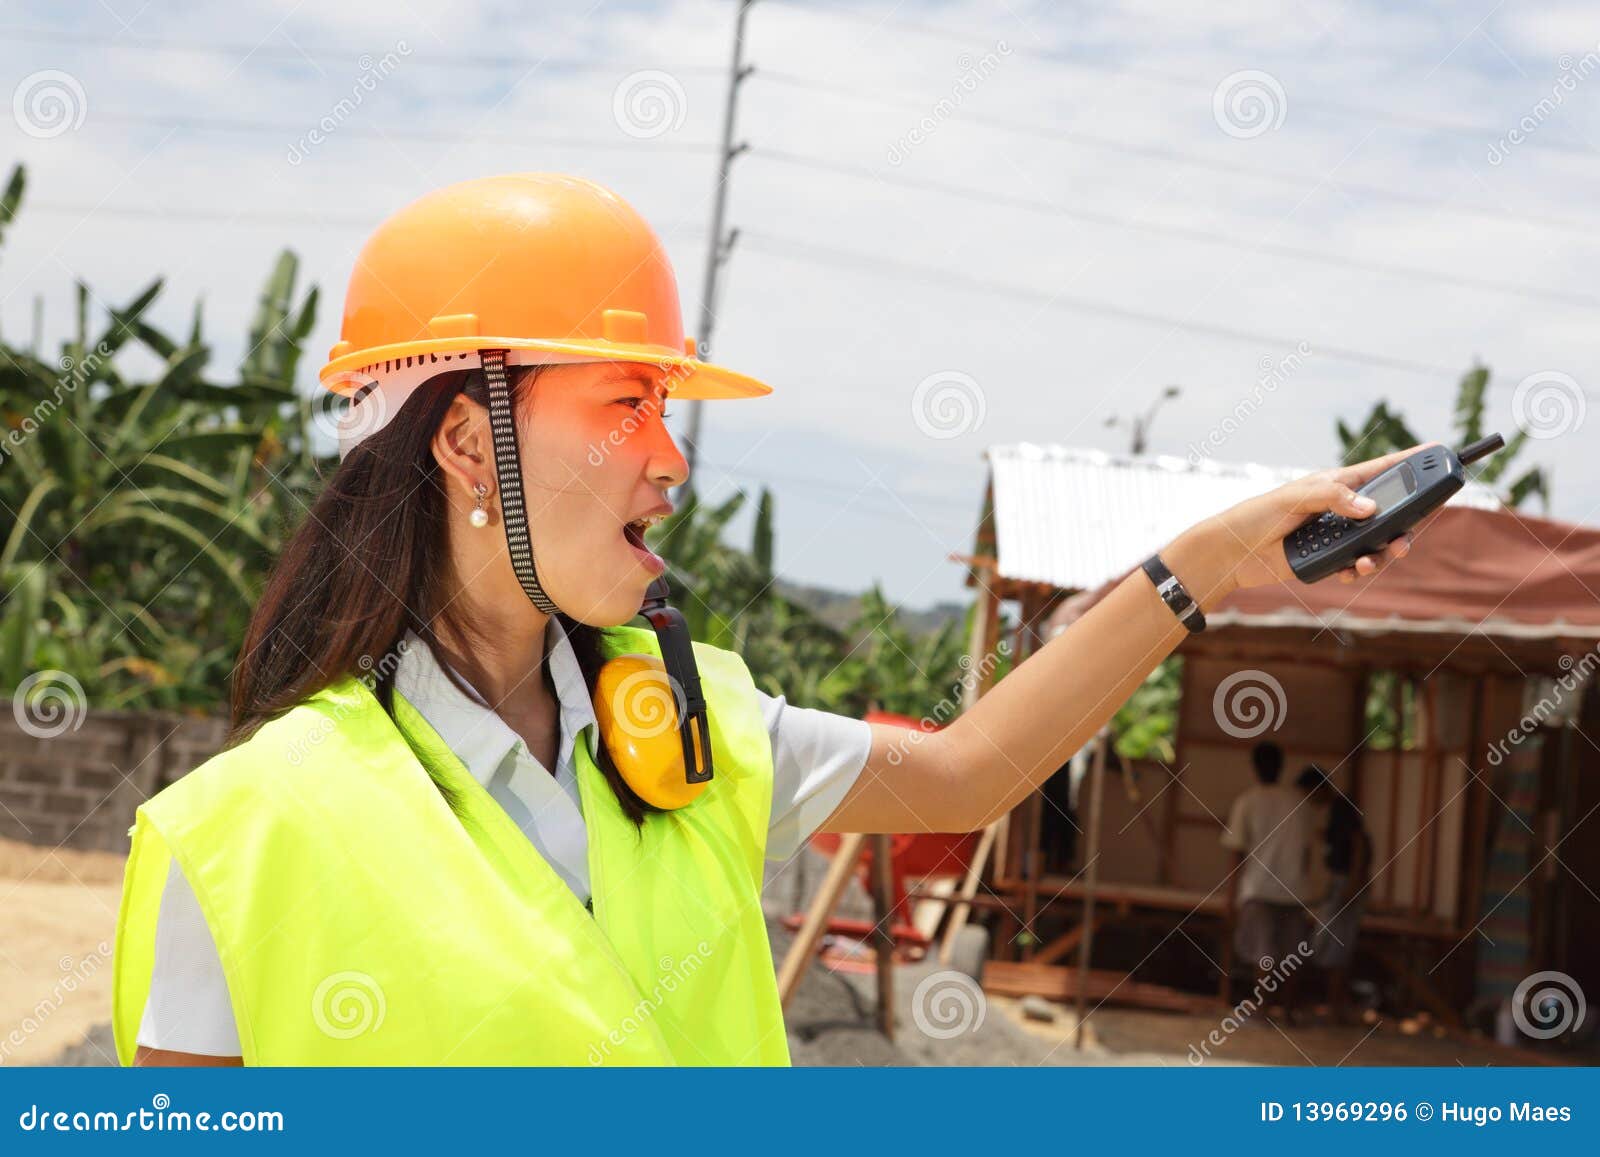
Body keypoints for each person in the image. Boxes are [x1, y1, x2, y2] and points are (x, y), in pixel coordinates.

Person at [113, 173, 1423, 1066]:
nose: (671, 460)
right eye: (627, 403)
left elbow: (976, 771)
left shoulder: (690, 728)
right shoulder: (237, 842)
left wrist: (1206, 559)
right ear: (468, 442)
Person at [1221, 741, 1313, 1020]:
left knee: (1264, 951)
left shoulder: (1247, 801)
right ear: (1281, 767)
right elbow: (1307, 851)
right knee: (1291, 953)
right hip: (1294, 888)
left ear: (1254, 767)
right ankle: (1287, 1010)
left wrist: (1231, 894)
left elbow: (1237, 850)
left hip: (1259, 887)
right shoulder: (1299, 802)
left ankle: (1262, 1009)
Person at [1298, 764, 1373, 1024]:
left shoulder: (1343, 809)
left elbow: (1359, 844)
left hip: (1347, 881)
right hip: (1340, 880)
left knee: (1336, 943)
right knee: (1330, 942)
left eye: (1309, 793)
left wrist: (1353, 882)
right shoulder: (1335, 812)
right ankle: (1335, 1004)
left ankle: (1336, 1006)